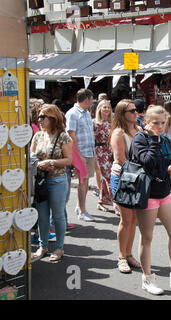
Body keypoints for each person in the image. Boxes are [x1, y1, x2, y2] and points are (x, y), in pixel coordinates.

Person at [132, 105, 171, 295]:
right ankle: (147, 278)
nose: (160, 126)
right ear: (146, 123)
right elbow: (148, 162)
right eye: (155, 123)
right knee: (147, 237)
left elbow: (167, 162)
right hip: (148, 194)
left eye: (162, 123)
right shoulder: (140, 139)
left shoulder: (165, 140)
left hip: (164, 193)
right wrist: (152, 139)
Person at [31, 104, 73, 261]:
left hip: (57, 180)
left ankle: (59, 248)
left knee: (57, 215)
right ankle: (43, 246)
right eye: (39, 117)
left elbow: (69, 160)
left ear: (53, 118)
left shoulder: (63, 136)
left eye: (43, 117)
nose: (39, 120)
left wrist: (51, 162)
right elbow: (32, 157)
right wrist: (38, 164)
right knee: (42, 215)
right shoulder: (37, 136)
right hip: (41, 180)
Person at [110, 99, 141, 273]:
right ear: (123, 114)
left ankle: (129, 254)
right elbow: (120, 159)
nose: (136, 113)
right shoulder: (118, 133)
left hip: (137, 178)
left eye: (136, 110)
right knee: (126, 219)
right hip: (122, 178)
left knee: (134, 219)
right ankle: (122, 257)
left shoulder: (138, 130)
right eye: (132, 111)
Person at [65, 88, 96, 222]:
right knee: (83, 182)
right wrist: (79, 154)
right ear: (87, 99)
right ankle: (82, 211)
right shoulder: (73, 113)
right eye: (91, 99)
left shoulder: (86, 113)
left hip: (89, 151)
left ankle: (79, 206)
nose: (92, 102)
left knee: (86, 181)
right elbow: (71, 134)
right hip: (82, 152)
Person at [93, 99, 114, 212]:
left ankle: (101, 201)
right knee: (108, 177)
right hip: (100, 151)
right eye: (104, 107)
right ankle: (114, 202)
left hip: (111, 150)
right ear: (99, 109)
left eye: (108, 107)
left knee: (106, 178)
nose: (107, 109)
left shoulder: (113, 122)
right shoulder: (95, 123)